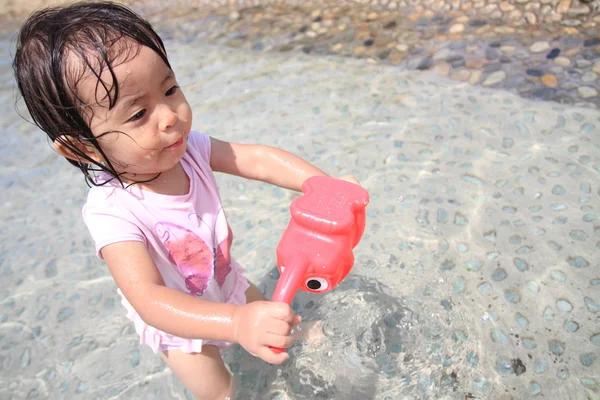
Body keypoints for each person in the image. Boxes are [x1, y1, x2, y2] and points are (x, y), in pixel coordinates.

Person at [13, 2, 360, 399]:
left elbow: (259, 160)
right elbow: (150, 299)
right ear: (83, 149)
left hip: (225, 281)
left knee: (276, 321)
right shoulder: (112, 213)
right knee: (224, 392)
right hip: (179, 326)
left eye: (170, 89)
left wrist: (323, 188)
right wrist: (234, 323)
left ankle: (291, 340)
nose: (169, 117)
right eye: (139, 113)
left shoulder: (190, 149)